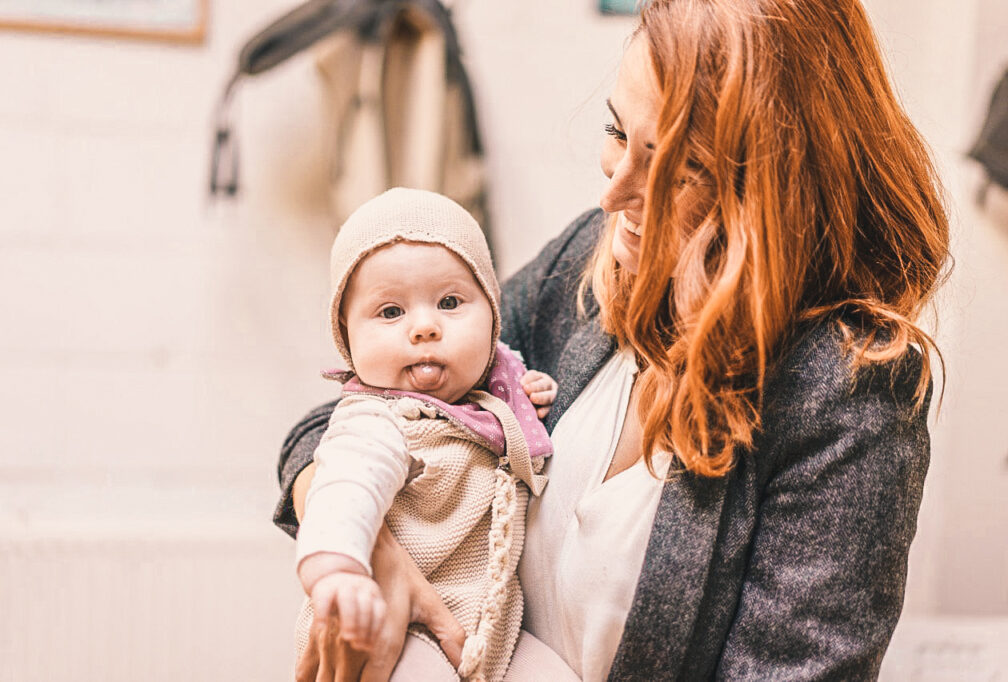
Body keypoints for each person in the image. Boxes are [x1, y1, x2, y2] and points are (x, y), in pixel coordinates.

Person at [274, 0, 951, 679]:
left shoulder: (848, 399)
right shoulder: (592, 267)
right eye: (616, 132)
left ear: (776, 191)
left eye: (677, 171)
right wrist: (370, 553)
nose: (615, 193)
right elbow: (346, 417)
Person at [294, 187, 571, 681]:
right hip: (390, 628)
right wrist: (337, 570)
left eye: (449, 302)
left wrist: (532, 391)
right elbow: (345, 486)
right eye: (391, 312)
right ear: (347, 339)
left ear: (492, 318)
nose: (424, 327)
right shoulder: (377, 421)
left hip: (490, 631)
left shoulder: (492, 400)